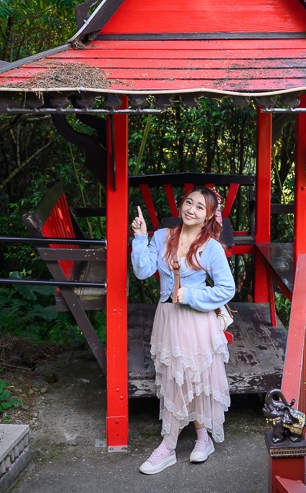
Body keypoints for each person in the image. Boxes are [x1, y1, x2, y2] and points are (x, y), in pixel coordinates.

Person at [130, 186, 235, 475]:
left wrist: (190, 296)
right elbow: (142, 270)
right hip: (167, 317)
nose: (191, 209)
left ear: (209, 215)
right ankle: (188, 442)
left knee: (193, 378)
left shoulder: (211, 247)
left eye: (200, 207)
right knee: (175, 378)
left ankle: (177, 443)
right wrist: (140, 238)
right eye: (189, 202)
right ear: (182, 205)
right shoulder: (162, 237)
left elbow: (227, 289)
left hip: (196, 321)